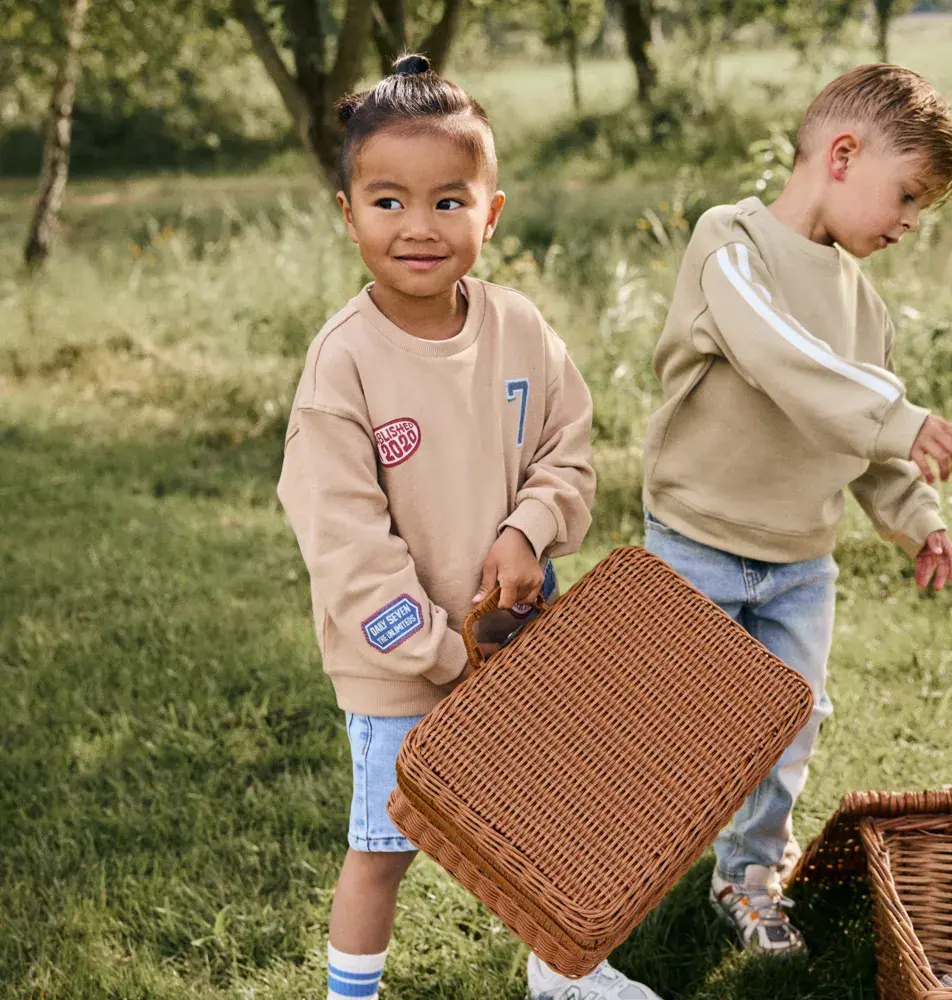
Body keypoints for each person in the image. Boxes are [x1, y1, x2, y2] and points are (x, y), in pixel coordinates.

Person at [277, 53, 660, 1000]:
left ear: (491, 214)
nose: (418, 226)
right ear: (348, 212)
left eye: (449, 202)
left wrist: (529, 531)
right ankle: (350, 993)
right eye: (388, 201)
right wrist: (445, 658)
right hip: (400, 665)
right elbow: (347, 546)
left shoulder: (521, 328)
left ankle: (566, 971)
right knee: (384, 844)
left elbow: (571, 450)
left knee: (555, 814)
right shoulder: (343, 366)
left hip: (522, 646)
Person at [642, 63, 952, 956]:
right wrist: (902, 420)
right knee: (679, 725)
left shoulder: (864, 309)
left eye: (922, 212)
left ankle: (749, 875)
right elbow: (782, 360)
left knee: (790, 719)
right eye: (906, 197)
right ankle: (612, 867)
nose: (909, 224)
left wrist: (917, 512)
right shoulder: (730, 245)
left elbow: (858, 429)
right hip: (698, 542)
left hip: (799, 559)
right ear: (841, 153)